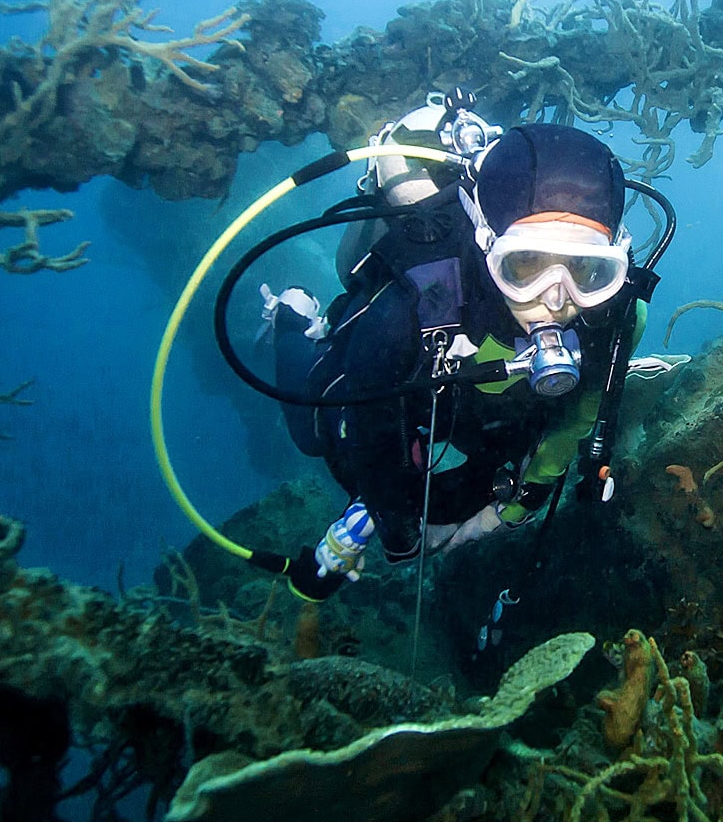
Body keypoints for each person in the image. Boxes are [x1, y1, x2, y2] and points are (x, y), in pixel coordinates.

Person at [261, 102, 664, 602]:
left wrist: (514, 504)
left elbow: (580, 414)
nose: (556, 298)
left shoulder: (617, 318)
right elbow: (370, 424)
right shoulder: (411, 305)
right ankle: (291, 319)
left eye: (586, 271)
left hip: (493, 405)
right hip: (405, 379)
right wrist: (395, 526)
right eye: (528, 264)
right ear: (485, 241)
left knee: (492, 458)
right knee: (314, 430)